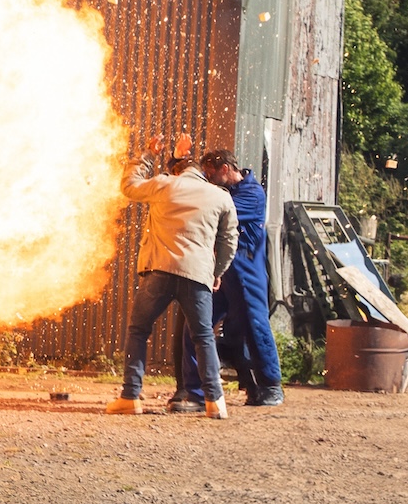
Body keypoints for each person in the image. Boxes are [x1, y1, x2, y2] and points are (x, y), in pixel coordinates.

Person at [107, 132, 238, 419]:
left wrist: (148, 156)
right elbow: (229, 241)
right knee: (204, 336)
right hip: (197, 275)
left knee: (139, 330)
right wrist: (217, 272)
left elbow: (129, 186)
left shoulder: (164, 185)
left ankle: (130, 396)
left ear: (179, 171)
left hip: (161, 271)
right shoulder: (221, 196)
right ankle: (215, 403)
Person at [196, 149, 283, 407]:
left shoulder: (252, 194)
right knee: (201, 324)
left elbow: (218, 213)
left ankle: (271, 386)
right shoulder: (225, 191)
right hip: (222, 273)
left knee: (255, 326)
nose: (208, 179)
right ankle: (200, 388)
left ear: (225, 169)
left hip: (246, 271)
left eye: (211, 174)